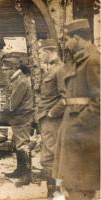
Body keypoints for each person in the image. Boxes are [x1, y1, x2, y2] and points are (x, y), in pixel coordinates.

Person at [53, 19, 100, 200]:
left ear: (78, 37)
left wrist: (79, 125)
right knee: (75, 186)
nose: (65, 45)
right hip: (76, 134)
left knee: (79, 188)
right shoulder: (81, 60)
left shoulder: (93, 60)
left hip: (84, 136)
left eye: (66, 40)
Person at [35, 39, 66, 197]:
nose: (39, 56)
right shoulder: (51, 70)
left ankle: (58, 191)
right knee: (47, 157)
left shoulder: (60, 70)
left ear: (48, 52)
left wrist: (52, 113)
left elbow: (65, 98)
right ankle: (52, 191)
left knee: (53, 156)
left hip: (53, 121)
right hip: (46, 120)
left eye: (40, 53)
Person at [2, 64, 34, 187]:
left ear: (13, 68)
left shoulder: (21, 81)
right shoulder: (18, 80)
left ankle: (26, 175)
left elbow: (13, 102)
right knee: (18, 144)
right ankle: (19, 170)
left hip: (22, 116)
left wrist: (1, 108)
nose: (3, 71)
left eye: (5, 69)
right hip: (19, 116)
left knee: (23, 145)